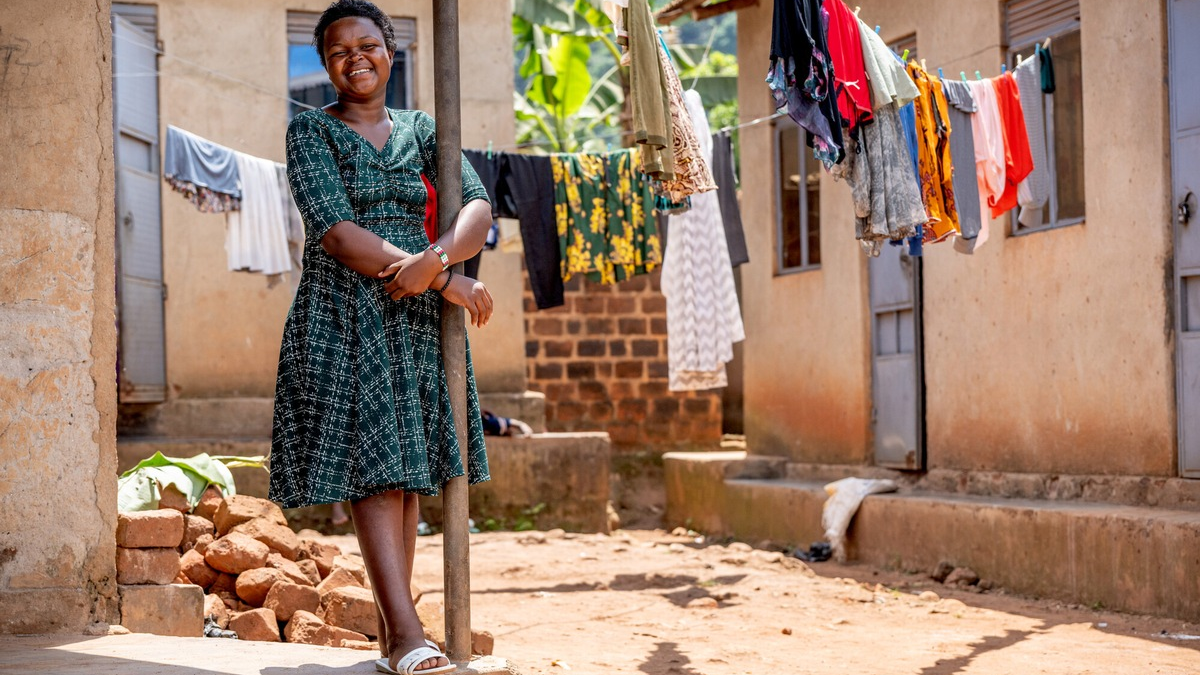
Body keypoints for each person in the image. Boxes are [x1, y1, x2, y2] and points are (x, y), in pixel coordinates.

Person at [269, 1, 494, 673]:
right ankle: (408, 630)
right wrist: (442, 278)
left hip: (415, 317)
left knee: (408, 467)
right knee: (375, 469)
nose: (355, 57)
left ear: (391, 53)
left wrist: (437, 264)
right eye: (339, 51)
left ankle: (398, 641)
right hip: (344, 311)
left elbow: (477, 206)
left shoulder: (422, 129)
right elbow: (336, 233)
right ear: (325, 65)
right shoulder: (311, 133)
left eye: (368, 45)